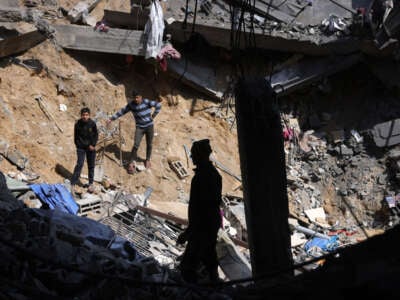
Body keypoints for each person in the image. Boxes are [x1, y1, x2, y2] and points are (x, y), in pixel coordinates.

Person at [177, 139, 222, 283]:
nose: (192, 157)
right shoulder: (214, 175)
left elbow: (202, 209)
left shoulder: (202, 177)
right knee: (209, 257)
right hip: (210, 224)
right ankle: (214, 285)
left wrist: (189, 232)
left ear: (201, 155)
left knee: (188, 267)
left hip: (203, 227)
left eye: (194, 154)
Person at [107, 90, 161, 173]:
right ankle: (131, 162)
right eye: (134, 98)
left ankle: (147, 159)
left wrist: (153, 116)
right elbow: (122, 111)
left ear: (141, 97)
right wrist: (111, 118)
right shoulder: (131, 105)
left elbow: (158, 105)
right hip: (140, 127)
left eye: (137, 97)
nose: (136, 99)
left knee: (149, 144)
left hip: (149, 126)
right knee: (136, 144)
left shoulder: (146, 102)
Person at [71, 107, 98, 193]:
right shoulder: (78, 124)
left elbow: (96, 135)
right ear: (81, 115)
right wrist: (78, 145)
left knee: (91, 165)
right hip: (81, 148)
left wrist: (93, 145)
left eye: (86, 115)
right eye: (83, 115)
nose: (85, 117)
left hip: (90, 147)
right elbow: (76, 137)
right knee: (79, 164)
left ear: (89, 115)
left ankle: (90, 183)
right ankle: (73, 183)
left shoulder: (92, 124)